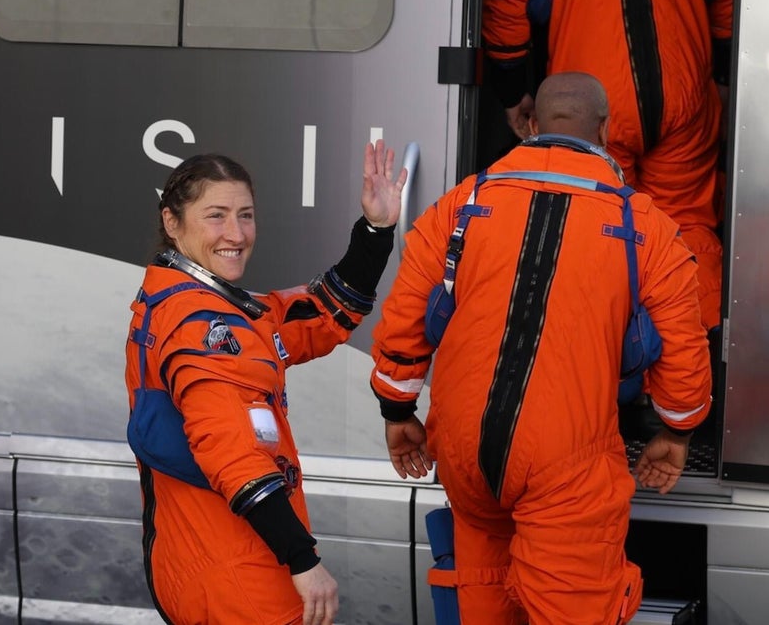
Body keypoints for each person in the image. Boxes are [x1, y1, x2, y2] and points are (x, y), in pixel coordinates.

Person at [369, 73, 712, 624]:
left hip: (463, 449)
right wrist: (676, 431)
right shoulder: (646, 226)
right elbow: (683, 355)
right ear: (605, 130)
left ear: (531, 125)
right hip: (568, 461)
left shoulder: (462, 203)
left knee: (482, 598)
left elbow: (405, 315)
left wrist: (397, 410)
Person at [124, 141, 407, 625]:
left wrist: (376, 230)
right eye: (216, 216)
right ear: (172, 222)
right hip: (238, 576)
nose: (236, 234)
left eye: (246, 215)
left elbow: (319, 314)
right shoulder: (202, 324)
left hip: (211, 563)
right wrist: (302, 558)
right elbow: (231, 450)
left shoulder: (200, 304)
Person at [482, 0, 732, 332]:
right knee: (684, 228)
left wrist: (510, 86)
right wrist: (726, 73)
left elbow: (508, 2)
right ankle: (693, 346)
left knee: (596, 225)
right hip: (684, 83)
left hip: (588, 99)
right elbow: (727, 4)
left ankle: (602, 351)